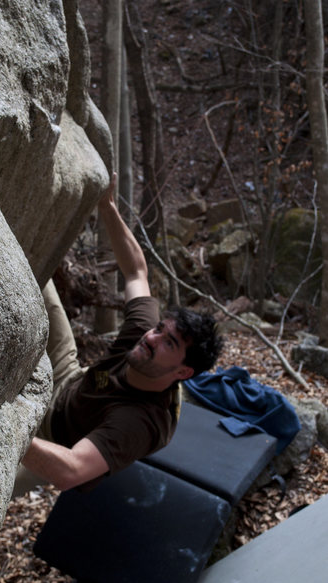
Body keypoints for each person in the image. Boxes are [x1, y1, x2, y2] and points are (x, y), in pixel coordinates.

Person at [14, 173, 222, 496]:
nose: (151, 339)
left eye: (169, 343)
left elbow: (71, 470)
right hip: (69, 377)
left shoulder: (141, 423)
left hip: (54, 440)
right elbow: (137, 269)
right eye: (159, 330)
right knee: (31, 267)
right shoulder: (145, 334)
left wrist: (7, 432)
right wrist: (107, 206)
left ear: (183, 372)